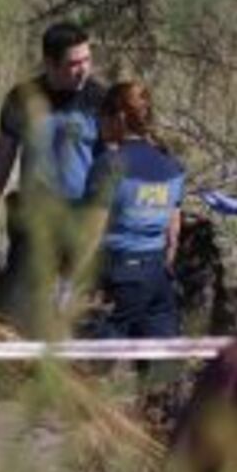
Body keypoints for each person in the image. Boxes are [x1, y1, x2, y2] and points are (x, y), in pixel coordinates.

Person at [0, 22, 107, 333]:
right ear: (50, 64)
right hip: (34, 217)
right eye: (73, 63)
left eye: (87, 60)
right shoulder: (22, 98)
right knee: (14, 312)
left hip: (80, 220)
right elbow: (2, 159)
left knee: (72, 320)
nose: (83, 70)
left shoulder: (100, 102)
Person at [78, 82, 184, 338]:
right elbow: (173, 235)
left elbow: (91, 235)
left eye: (101, 116)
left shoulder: (109, 166)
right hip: (157, 278)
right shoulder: (172, 166)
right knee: (159, 368)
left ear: (120, 117)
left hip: (119, 276)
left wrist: (72, 283)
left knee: (90, 369)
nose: (98, 123)